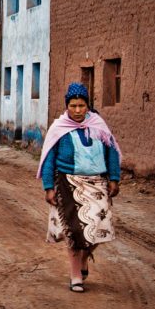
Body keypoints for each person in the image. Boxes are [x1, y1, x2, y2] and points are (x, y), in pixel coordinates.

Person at [37, 83, 121, 293]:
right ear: (67, 106)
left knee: (101, 226)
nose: (77, 110)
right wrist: (48, 186)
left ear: (88, 106)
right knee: (73, 231)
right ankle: (76, 276)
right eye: (73, 106)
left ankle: (84, 258)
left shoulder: (98, 125)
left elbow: (111, 152)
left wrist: (114, 178)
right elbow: (49, 158)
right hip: (68, 184)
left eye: (81, 106)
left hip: (97, 183)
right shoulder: (59, 128)